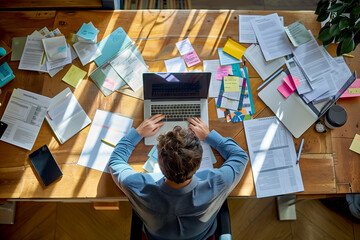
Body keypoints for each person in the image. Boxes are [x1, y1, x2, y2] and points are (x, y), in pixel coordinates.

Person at [108, 114, 249, 240]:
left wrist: (138, 132)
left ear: (159, 162)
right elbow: (240, 156)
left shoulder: (136, 185)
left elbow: (115, 161)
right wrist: (208, 136)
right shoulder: (219, 182)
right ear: (198, 164)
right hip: (202, 236)